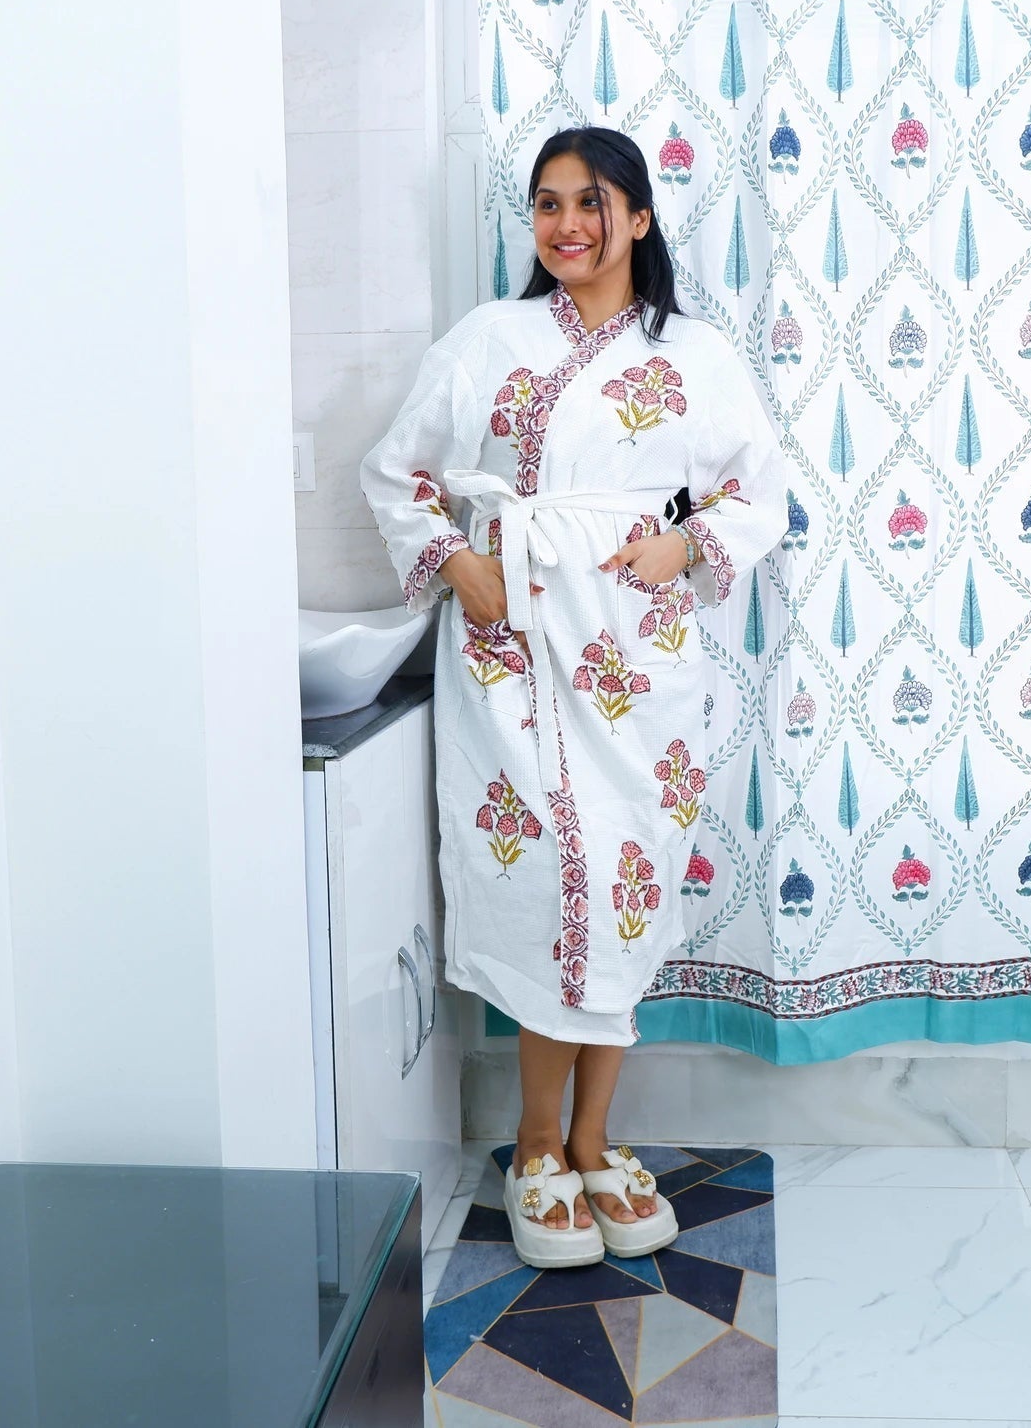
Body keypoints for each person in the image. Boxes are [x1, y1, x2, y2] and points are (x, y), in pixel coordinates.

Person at [360, 125, 787, 1268]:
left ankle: (597, 1141)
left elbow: (760, 494)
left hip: (637, 655)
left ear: (640, 218)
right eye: (547, 205)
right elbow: (394, 469)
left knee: (626, 883)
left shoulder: (694, 355)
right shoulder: (488, 340)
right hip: (513, 652)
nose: (567, 227)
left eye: (591, 204)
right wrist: (463, 567)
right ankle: (533, 1147)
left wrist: (683, 546)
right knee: (550, 877)